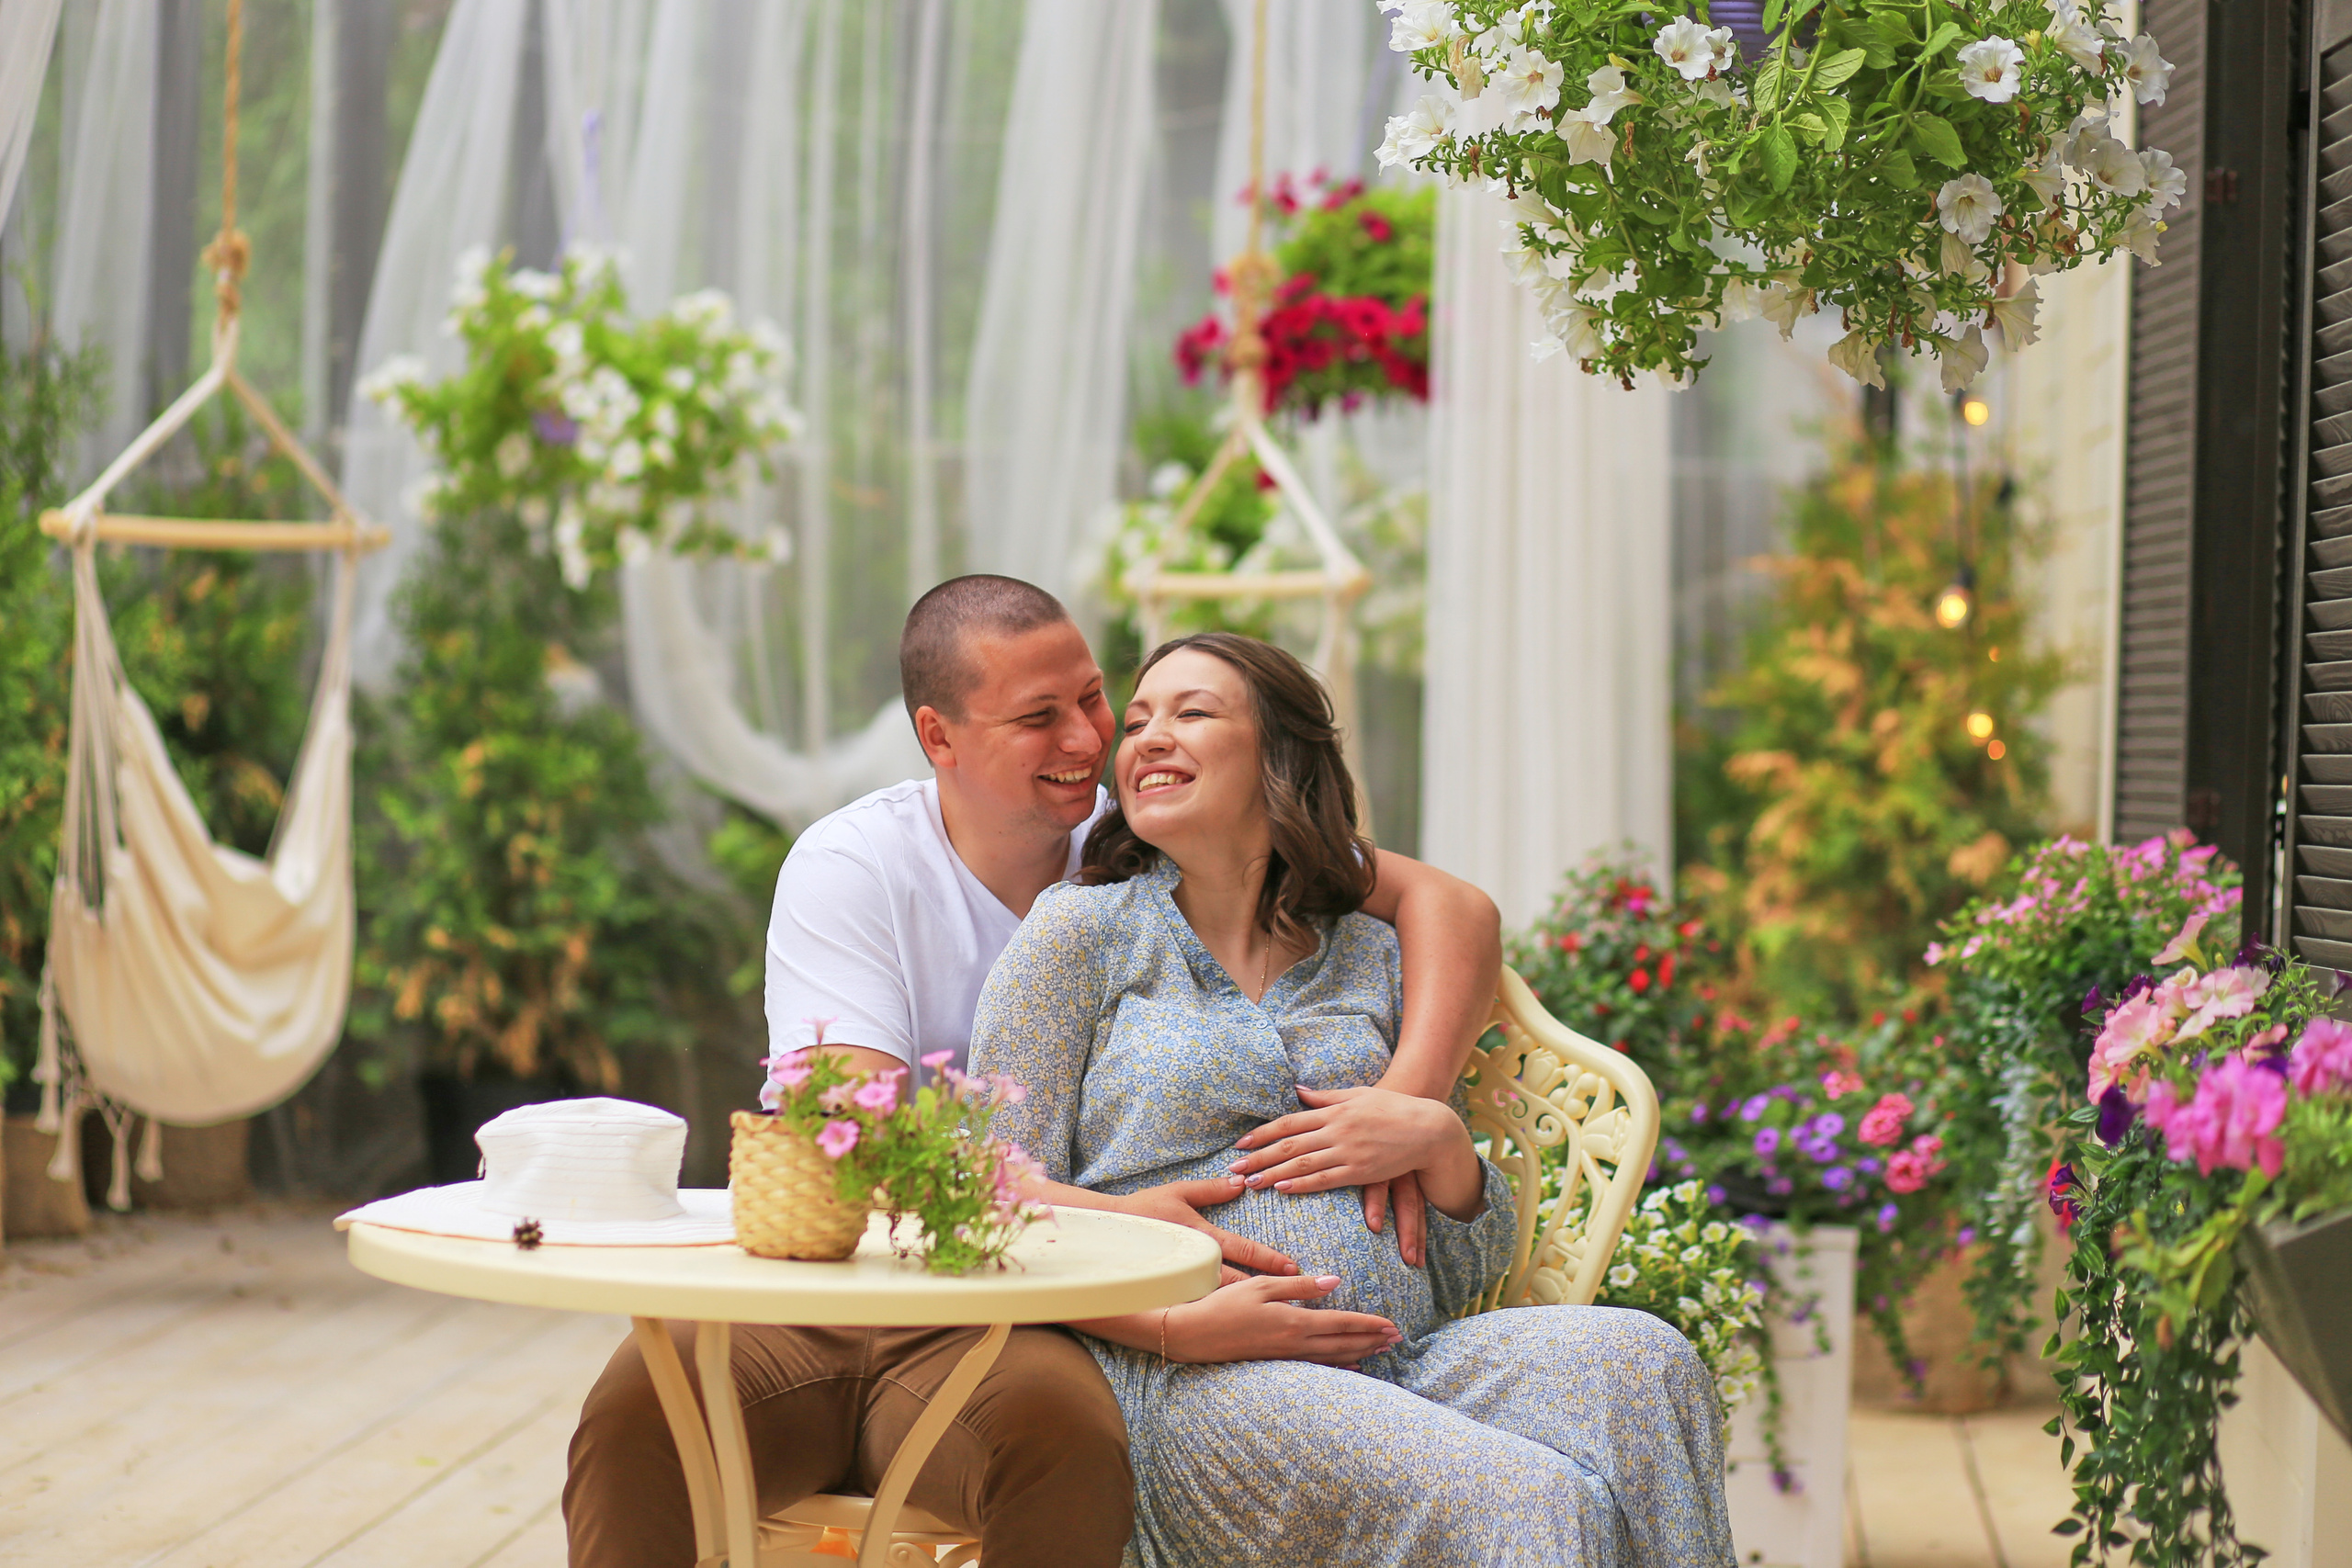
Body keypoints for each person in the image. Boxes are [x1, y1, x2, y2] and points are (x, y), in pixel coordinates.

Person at [564, 578, 1504, 1568]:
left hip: (1018, 1310)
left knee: (1060, 1442)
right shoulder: (856, 868)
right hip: (839, 1287)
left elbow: (1450, 905)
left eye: (1094, 700)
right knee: (639, 1412)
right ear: (939, 738)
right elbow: (864, 1147)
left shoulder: (1151, 836)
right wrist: (1111, 1218)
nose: (1087, 740)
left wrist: (1408, 1103)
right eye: (1037, 718)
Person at [968, 630, 1736, 1568]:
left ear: (1278, 758)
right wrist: (1159, 1288)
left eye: (1192, 713)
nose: (1146, 739)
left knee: (1644, 1365)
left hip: (1405, 1356)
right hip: (1206, 1379)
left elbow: (1454, 1265)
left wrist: (1442, 1146)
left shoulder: (1368, 952)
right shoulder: (1080, 934)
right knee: (1533, 1502)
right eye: (1137, 722)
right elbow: (984, 1193)